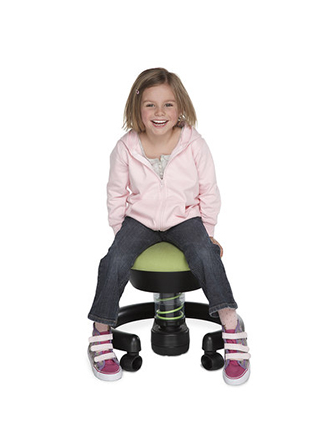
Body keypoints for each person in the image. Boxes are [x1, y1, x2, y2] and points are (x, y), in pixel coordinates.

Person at [87, 68, 250, 385]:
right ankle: (101, 331)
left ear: (180, 108)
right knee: (114, 260)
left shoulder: (194, 144)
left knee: (205, 254)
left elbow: (208, 190)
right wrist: (120, 234)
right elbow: (116, 193)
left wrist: (208, 231)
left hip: (184, 219)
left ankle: (231, 326)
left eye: (168, 105)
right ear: (137, 108)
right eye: (150, 105)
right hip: (140, 220)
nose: (159, 113)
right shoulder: (126, 147)